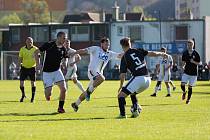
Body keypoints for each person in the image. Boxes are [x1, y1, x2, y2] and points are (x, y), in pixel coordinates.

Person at [117, 37, 168, 118]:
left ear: (122, 46)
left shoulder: (125, 57)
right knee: (132, 93)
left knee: (121, 95)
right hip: (148, 80)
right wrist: (162, 54)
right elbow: (151, 53)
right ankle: (135, 108)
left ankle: (122, 115)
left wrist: (121, 86)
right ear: (130, 44)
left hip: (138, 78)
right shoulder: (138, 50)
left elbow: (122, 74)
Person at [71, 37, 123, 112]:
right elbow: (84, 50)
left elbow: (119, 55)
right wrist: (74, 52)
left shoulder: (109, 54)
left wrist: (128, 53)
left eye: (108, 45)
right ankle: (88, 92)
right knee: (102, 78)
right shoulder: (96, 49)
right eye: (106, 44)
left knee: (88, 92)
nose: (107, 46)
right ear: (101, 44)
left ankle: (76, 104)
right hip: (92, 71)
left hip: (98, 75)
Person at [35, 31, 68, 113]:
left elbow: (65, 57)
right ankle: (47, 91)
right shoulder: (49, 44)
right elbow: (36, 52)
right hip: (47, 73)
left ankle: (60, 108)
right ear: (59, 37)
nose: (65, 40)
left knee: (63, 89)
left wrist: (64, 63)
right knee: (48, 94)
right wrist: (38, 64)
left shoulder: (63, 48)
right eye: (64, 38)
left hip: (57, 71)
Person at [18, 37, 39, 103]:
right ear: (26, 42)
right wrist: (19, 66)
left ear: (32, 42)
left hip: (32, 68)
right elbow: (20, 58)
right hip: (24, 68)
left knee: (33, 84)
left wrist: (38, 67)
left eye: (31, 42)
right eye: (28, 41)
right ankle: (23, 95)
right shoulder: (22, 49)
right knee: (21, 84)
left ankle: (32, 98)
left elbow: (38, 59)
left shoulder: (36, 49)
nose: (29, 43)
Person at [181, 39, 200, 104]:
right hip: (186, 72)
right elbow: (183, 62)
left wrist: (193, 62)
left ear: (193, 45)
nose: (189, 46)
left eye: (190, 45)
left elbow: (199, 63)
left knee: (190, 87)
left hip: (194, 73)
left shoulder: (196, 53)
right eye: (188, 45)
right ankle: (184, 92)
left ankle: (188, 100)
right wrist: (183, 66)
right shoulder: (185, 53)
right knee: (182, 84)